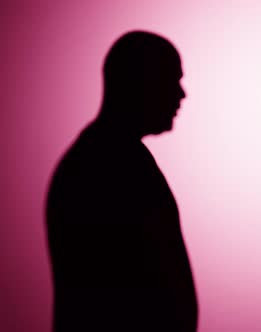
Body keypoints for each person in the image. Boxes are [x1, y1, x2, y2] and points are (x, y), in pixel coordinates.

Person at [45, 31, 198, 332]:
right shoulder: (105, 165)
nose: (182, 94)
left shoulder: (113, 157)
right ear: (141, 80)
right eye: (171, 78)